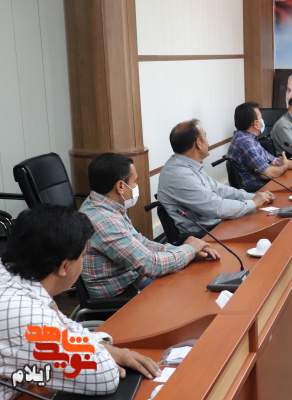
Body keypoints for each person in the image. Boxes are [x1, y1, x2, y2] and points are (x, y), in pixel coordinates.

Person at [0, 206, 162, 398]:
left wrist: (109, 350)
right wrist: (106, 354)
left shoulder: (12, 275)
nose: (84, 262)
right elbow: (105, 377)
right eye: (83, 256)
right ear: (65, 266)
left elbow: (66, 329)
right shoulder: (25, 313)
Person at [79, 153, 219, 300]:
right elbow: (152, 265)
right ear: (121, 186)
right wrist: (190, 249)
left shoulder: (106, 205)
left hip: (134, 279)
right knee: (194, 292)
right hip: (122, 296)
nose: (136, 186)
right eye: (134, 182)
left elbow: (141, 243)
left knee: (194, 278)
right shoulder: (103, 220)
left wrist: (185, 251)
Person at [158, 119, 275, 237]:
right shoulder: (179, 174)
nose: (208, 141)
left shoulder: (187, 164)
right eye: (205, 136)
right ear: (198, 143)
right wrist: (253, 203)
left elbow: (220, 190)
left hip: (214, 224)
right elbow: (216, 207)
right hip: (202, 235)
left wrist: (254, 197)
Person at [228, 101, 292, 192]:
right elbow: (268, 173)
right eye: (260, 117)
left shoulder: (249, 138)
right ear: (256, 124)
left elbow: (276, 161)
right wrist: (285, 167)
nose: (262, 120)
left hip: (265, 183)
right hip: (257, 190)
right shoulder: (246, 142)